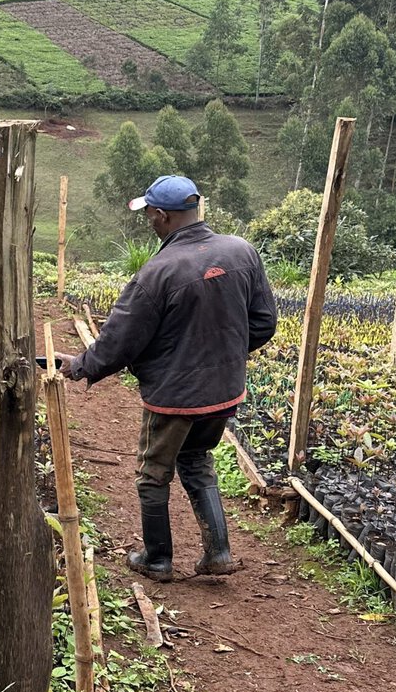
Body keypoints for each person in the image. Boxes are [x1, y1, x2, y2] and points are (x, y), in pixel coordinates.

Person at [57, 176, 276, 581]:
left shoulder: (157, 273)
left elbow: (119, 341)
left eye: (150, 216)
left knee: (153, 472)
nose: (150, 223)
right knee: (197, 459)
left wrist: (79, 366)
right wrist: (222, 357)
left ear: (162, 215)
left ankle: (157, 559)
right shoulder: (242, 251)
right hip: (225, 389)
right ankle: (219, 552)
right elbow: (263, 323)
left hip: (176, 396)